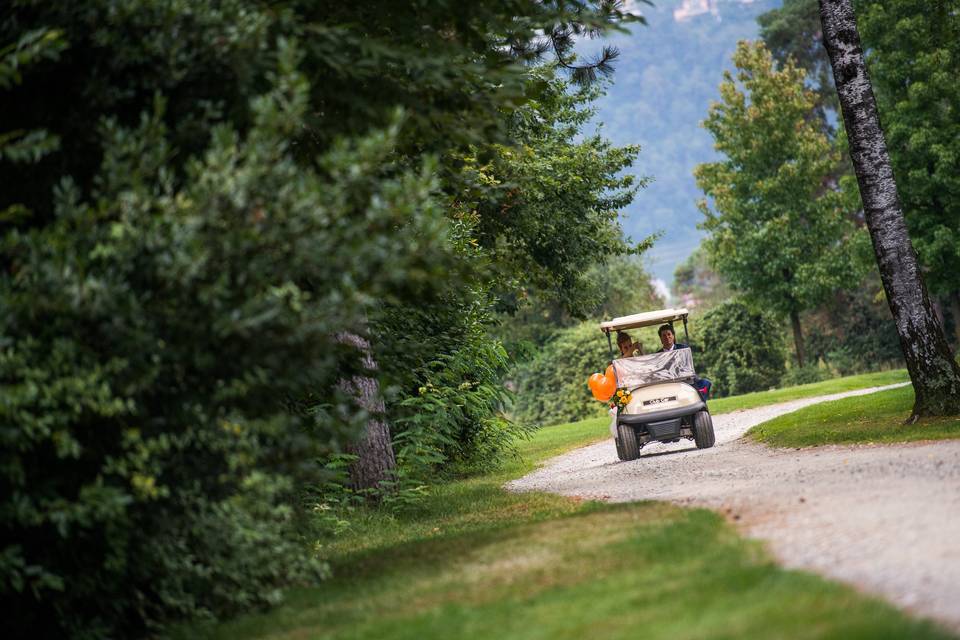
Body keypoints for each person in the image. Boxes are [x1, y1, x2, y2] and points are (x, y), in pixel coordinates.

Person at [656, 324, 712, 401]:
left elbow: (687, 366)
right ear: (661, 339)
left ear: (673, 336)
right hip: (668, 382)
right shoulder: (658, 355)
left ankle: (700, 404)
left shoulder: (683, 348)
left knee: (705, 383)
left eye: (669, 334)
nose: (667, 337)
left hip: (685, 378)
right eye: (664, 335)